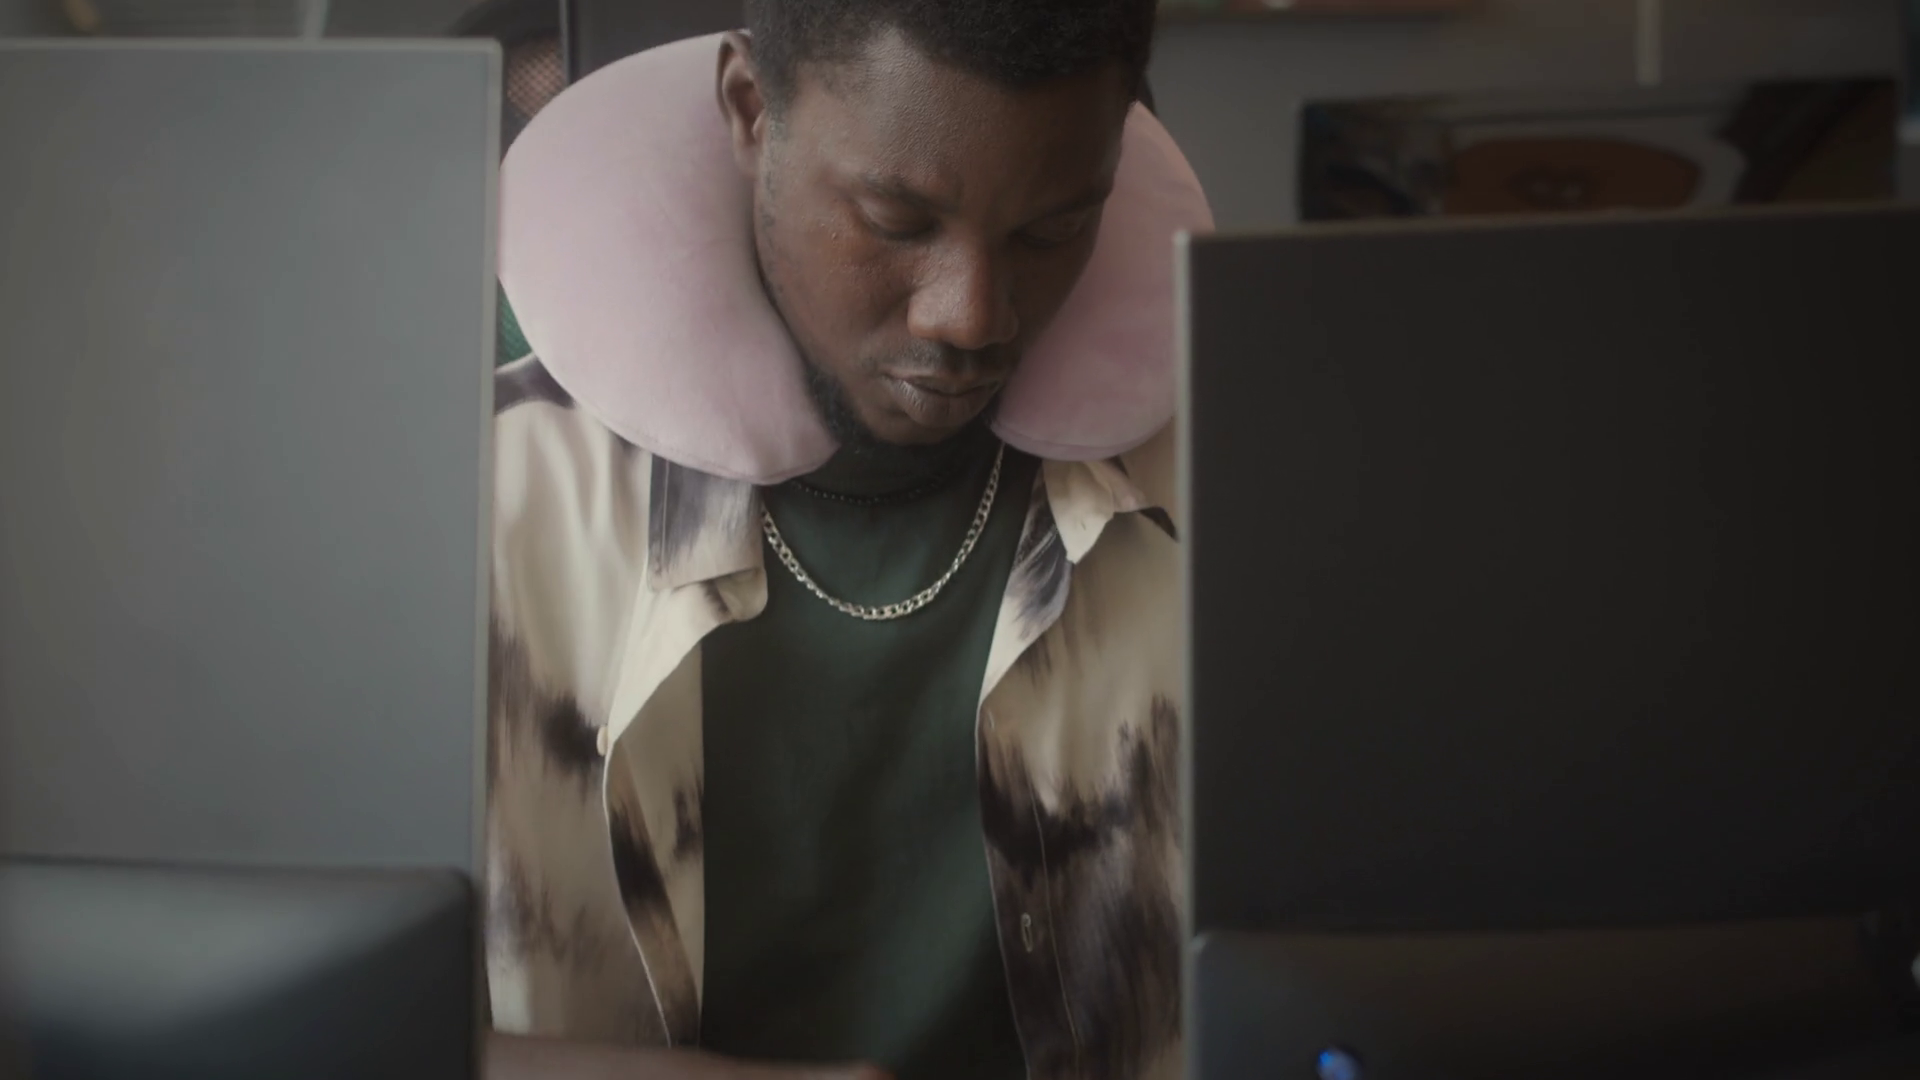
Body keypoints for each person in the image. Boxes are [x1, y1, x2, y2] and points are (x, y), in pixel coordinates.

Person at [484, 1, 1205, 1077]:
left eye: (1050, 230)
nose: (970, 317)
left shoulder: (1229, 500)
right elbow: (315, 1026)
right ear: (749, 108)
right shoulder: (482, 511)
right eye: (895, 219)